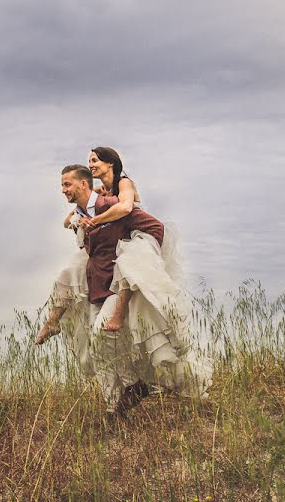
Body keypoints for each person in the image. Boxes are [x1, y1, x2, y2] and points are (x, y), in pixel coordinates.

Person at [50, 164, 211, 414]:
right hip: (96, 289)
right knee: (97, 348)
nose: (62, 190)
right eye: (61, 185)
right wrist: (78, 221)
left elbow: (155, 227)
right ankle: (114, 407)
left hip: (118, 289)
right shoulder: (80, 214)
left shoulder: (112, 205)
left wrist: (140, 258)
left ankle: (134, 386)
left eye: (67, 184)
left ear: (83, 184)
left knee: (101, 335)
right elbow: (73, 228)